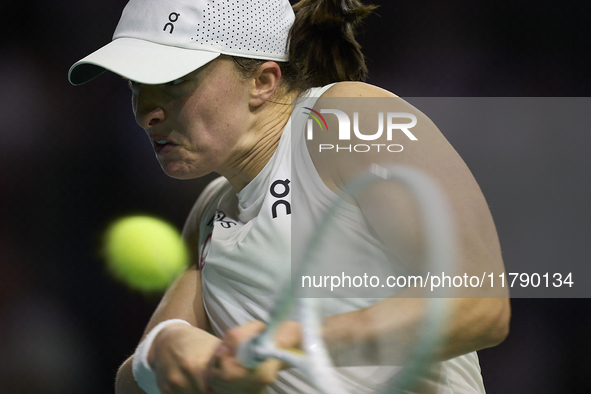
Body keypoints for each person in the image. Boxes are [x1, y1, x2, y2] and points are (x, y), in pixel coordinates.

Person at [69, 0, 510, 393]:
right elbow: (135, 380)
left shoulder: (347, 117)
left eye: (175, 81)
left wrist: (292, 340)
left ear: (262, 80)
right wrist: (160, 351)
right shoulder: (210, 213)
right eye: (135, 85)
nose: (147, 112)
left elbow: (480, 303)